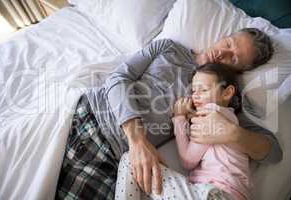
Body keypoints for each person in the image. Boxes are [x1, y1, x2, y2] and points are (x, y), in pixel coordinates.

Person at [55, 28, 282, 200]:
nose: (222, 52)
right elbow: (117, 79)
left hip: (115, 159)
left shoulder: (220, 104)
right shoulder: (168, 48)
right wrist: (137, 141)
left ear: (238, 72)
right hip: (92, 117)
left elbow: (273, 152)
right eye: (229, 43)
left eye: (233, 58)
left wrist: (234, 135)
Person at [115, 63, 251, 200]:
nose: (195, 96)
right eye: (193, 91)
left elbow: (188, 160)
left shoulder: (213, 115)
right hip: (223, 192)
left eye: (203, 90)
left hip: (218, 193)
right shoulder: (230, 118)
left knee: (131, 160)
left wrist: (179, 118)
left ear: (227, 93)